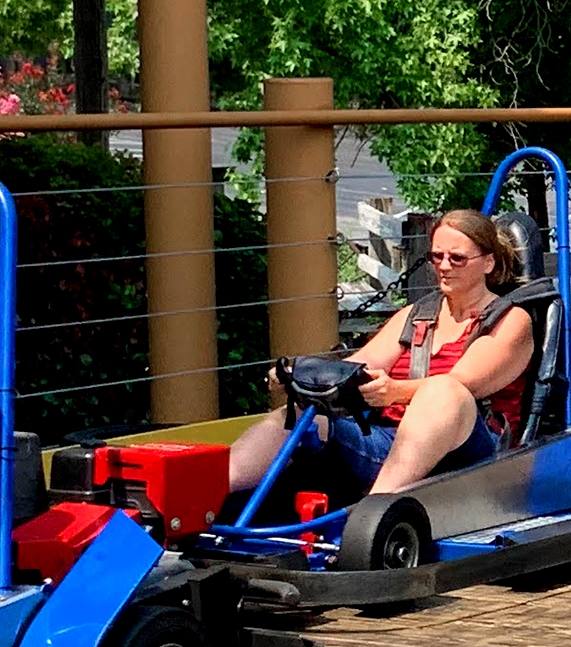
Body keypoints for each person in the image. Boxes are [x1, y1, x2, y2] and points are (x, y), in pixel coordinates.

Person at [226, 207, 539, 509]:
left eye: (457, 258)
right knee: (292, 419)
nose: (444, 266)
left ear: (488, 263)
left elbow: (463, 384)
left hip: (470, 456)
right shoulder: (415, 316)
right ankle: (203, 498)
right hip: (390, 445)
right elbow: (357, 366)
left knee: (444, 392)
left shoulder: (511, 320)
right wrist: (299, 375)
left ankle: (374, 512)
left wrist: (394, 392)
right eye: (437, 257)